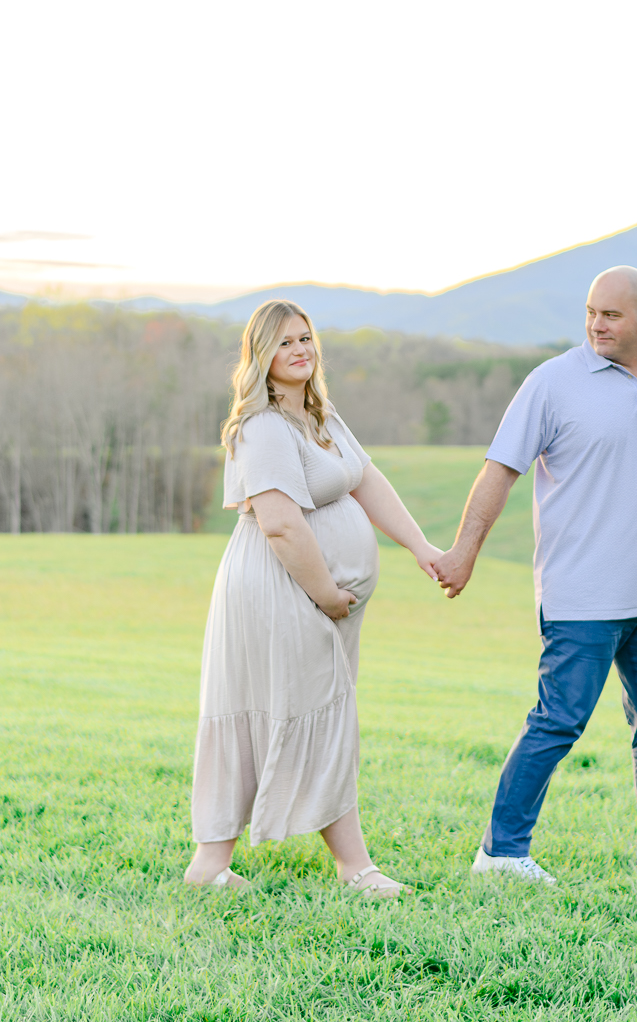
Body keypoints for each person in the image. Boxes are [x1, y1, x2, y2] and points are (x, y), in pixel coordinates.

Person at [433, 266, 637, 883]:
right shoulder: (551, 384)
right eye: (591, 312)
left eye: (611, 315)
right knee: (558, 721)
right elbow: (500, 469)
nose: (597, 325)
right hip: (583, 595)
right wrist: (464, 551)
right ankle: (500, 855)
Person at [185, 300, 448, 898]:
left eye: (305, 338)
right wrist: (327, 593)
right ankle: (352, 869)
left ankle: (212, 865)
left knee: (316, 711)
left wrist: (420, 547)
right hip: (283, 588)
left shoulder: (319, 417)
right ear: (260, 357)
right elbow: (279, 523)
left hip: (314, 595)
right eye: (283, 343)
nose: (300, 350)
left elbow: (367, 481)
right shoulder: (265, 427)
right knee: (304, 710)